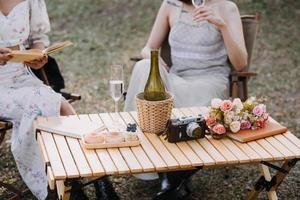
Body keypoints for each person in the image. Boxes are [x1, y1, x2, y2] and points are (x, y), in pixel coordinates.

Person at [124, 0, 247, 199]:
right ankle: (138, 152)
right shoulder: (170, 5)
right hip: (176, 78)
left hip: (210, 81)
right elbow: (148, 48)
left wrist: (222, 25)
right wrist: (154, 59)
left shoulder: (226, 8)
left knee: (172, 97)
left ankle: (172, 173)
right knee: (143, 67)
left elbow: (240, 64)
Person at [0, 1, 119, 199]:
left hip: (22, 77)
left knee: (51, 102)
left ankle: (88, 178)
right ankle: (65, 183)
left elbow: (37, 39)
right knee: (52, 101)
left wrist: (37, 55)